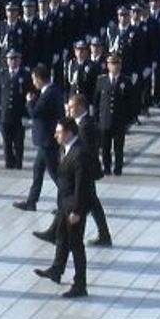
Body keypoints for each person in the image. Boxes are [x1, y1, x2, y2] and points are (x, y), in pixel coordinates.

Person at [34, 116, 94, 298]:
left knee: (76, 246)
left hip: (74, 208)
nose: (55, 135)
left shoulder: (79, 153)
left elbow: (82, 186)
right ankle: (56, 270)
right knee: (61, 237)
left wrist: (77, 211)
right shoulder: (66, 149)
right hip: (64, 205)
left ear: (68, 133)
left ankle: (80, 284)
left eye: (58, 132)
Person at [15, 64, 64, 211]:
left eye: (34, 79)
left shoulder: (49, 93)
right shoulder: (51, 91)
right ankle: (31, 201)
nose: (33, 82)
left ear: (40, 79)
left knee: (55, 173)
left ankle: (67, 203)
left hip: (47, 140)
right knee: (37, 170)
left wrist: (30, 101)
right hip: (46, 140)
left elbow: (35, 112)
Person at [92, 52, 136, 176]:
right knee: (105, 147)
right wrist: (96, 118)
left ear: (120, 65)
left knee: (118, 147)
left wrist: (129, 120)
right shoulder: (101, 80)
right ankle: (106, 167)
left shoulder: (125, 81)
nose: (114, 66)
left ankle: (118, 168)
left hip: (119, 120)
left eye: (116, 63)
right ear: (107, 65)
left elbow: (131, 102)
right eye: (112, 63)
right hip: (105, 120)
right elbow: (96, 101)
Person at [0, 48, 29, 169]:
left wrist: (27, 115)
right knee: (7, 142)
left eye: (15, 59)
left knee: (18, 142)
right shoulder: (1, 74)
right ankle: (8, 163)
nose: (12, 61)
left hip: (19, 115)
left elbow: (29, 96)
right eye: (10, 59)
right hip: (5, 114)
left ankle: (18, 164)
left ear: (19, 60)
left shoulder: (25, 75)